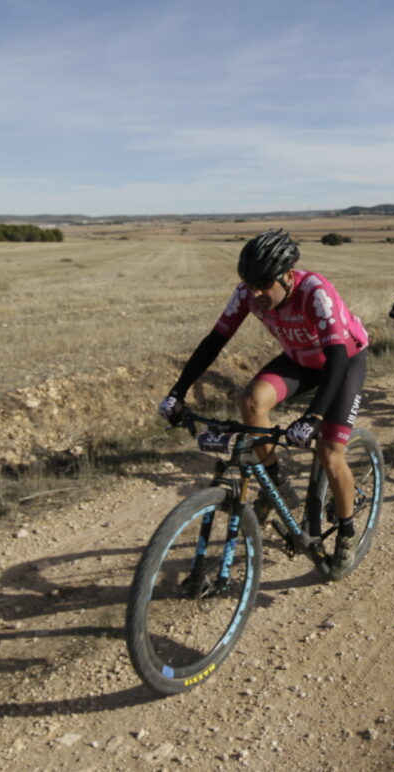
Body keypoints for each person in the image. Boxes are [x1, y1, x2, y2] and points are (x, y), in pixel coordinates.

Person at [157, 230, 369, 570]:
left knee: (330, 452)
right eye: (249, 285)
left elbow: (338, 358)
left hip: (342, 362)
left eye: (262, 285)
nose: (255, 294)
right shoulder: (248, 292)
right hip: (299, 361)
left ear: (287, 276)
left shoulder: (315, 292)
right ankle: (279, 484)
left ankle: (346, 530)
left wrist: (313, 417)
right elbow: (215, 340)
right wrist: (177, 392)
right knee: (252, 402)